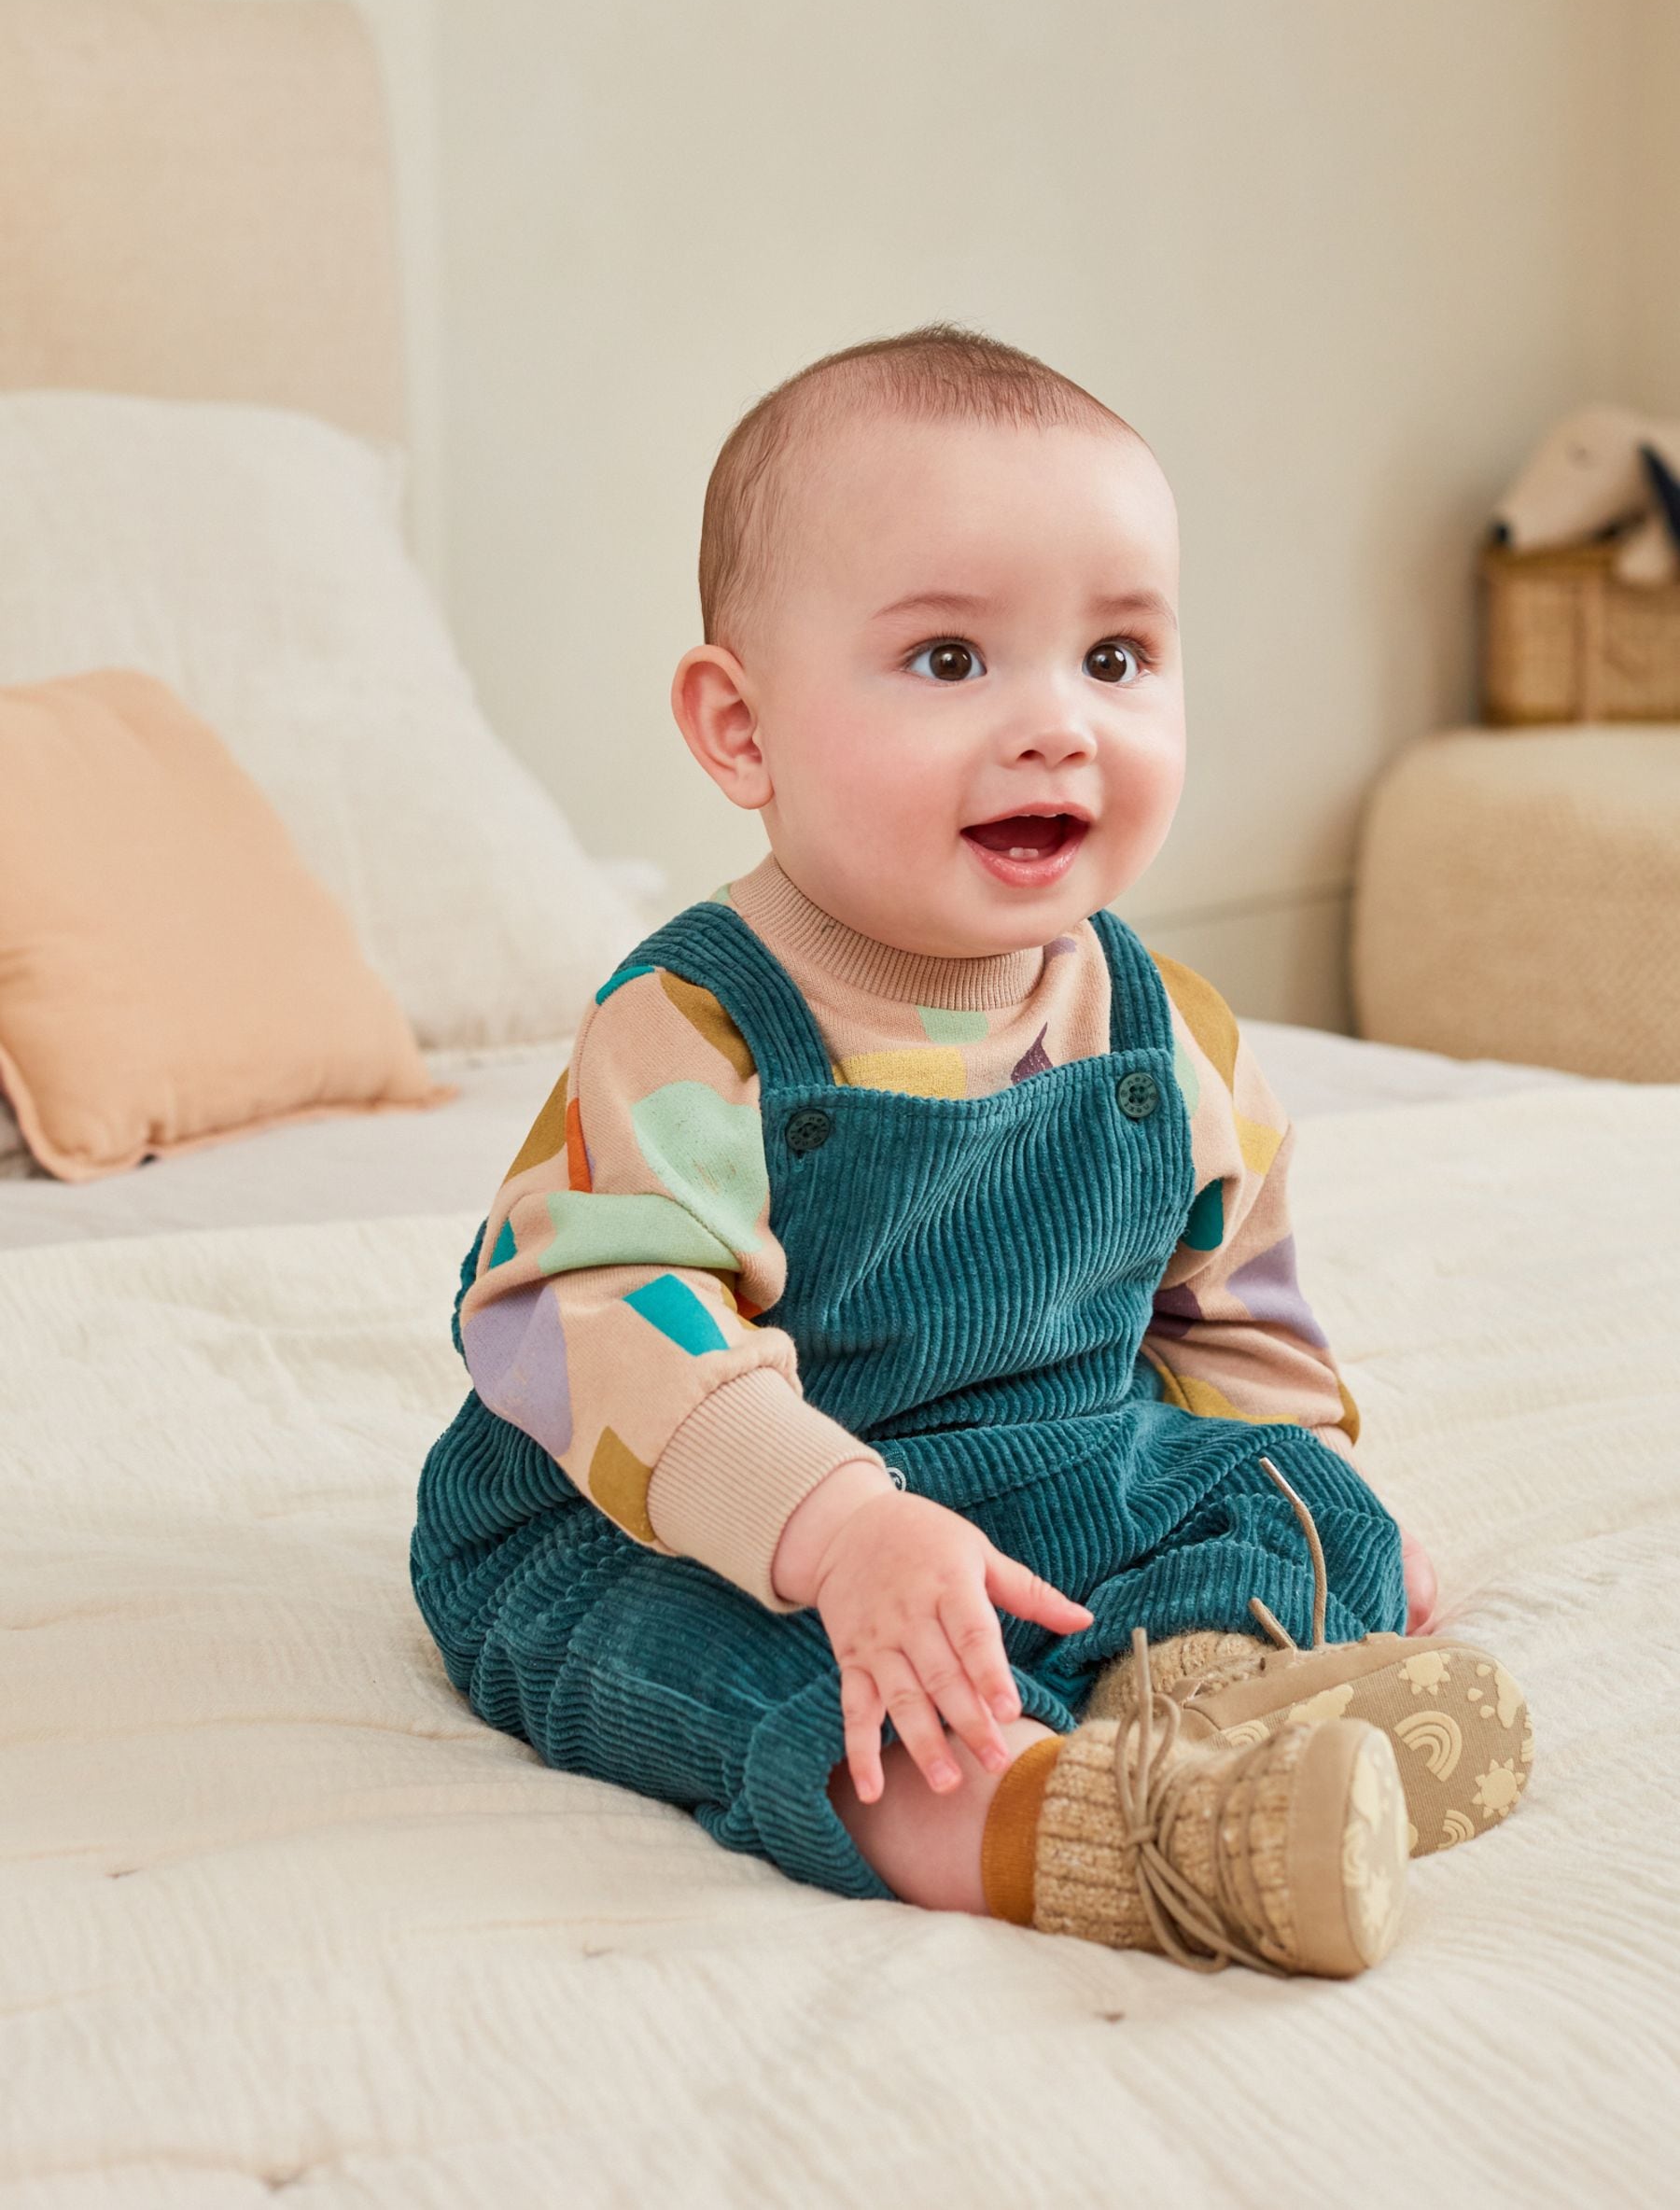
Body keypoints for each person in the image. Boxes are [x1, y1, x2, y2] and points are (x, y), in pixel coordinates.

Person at [411, 325, 1532, 1979]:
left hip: (1035, 1475)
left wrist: (1307, 1492)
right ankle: (1046, 1823)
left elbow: (1233, 1325)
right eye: (951, 661)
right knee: (718, 1661)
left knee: (1311, 1505)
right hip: (686, 1507)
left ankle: (1199, 1705)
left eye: (1117, 659)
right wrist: (840, 1531)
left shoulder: (1168, 1032)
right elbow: (574, 1320)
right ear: (741, 731)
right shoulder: (692, 1031)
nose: (1054, 725)